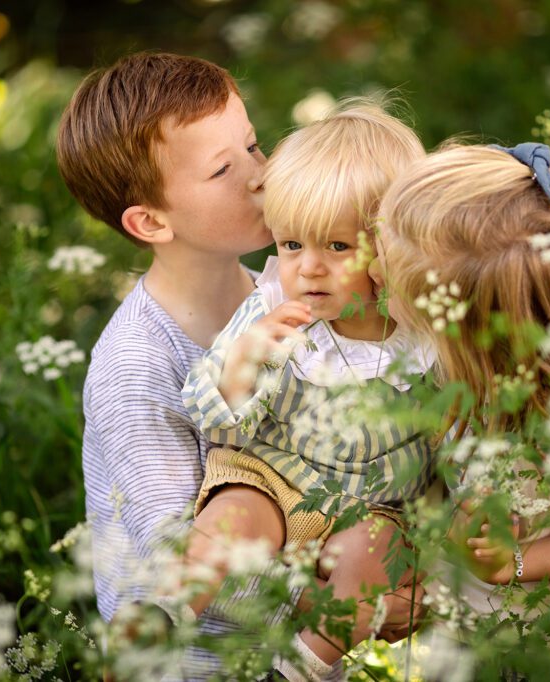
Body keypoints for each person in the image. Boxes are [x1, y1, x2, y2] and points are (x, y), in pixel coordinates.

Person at [57, 51, 349, 680]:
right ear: (151, 221)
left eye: (254, 146)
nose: (261, 176)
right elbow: (182, 562)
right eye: (223, 169)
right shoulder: (137, 366)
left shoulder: (279, 295)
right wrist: (335, 558)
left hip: (292, 648)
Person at [180, 102, 432, 681]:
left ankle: (304, 665)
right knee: (232, 515)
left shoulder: (423, 337)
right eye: (292, 245)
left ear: (393, 249)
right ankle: (160, 616)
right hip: (274, 478)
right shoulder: (273, 306)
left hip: (371, 506)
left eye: (337, 248)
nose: (308, 269)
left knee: (373, 556)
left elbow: (455, 435)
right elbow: (211, 419)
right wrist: (244, 363)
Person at [369, 142, 550, 615]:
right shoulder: (458, 360)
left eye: (388, 272)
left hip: (545, 640)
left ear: (467, 334)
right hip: (457, 609)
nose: (370, 271)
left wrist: (511, 564)